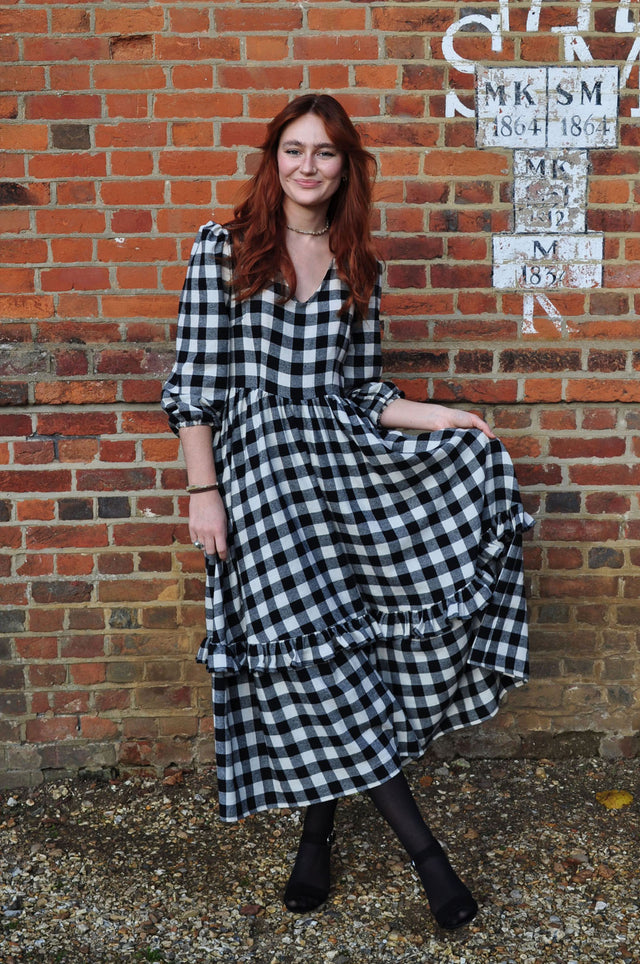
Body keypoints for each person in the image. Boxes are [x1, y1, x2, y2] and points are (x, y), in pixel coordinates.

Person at [161, 93, 532, 932]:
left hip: (336, 474)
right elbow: (192, 387)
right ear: (272, 158)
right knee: (318, 660)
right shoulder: (223, 247)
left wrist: (441, 418)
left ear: (345, 167)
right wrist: (202, 490)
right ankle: (427, 858)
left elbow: (360, 392)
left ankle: (317, 837)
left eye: (325, 153)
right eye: (294, 149)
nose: (307, 166)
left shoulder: (358, 258)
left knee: (345, 648)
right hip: (257, 479)